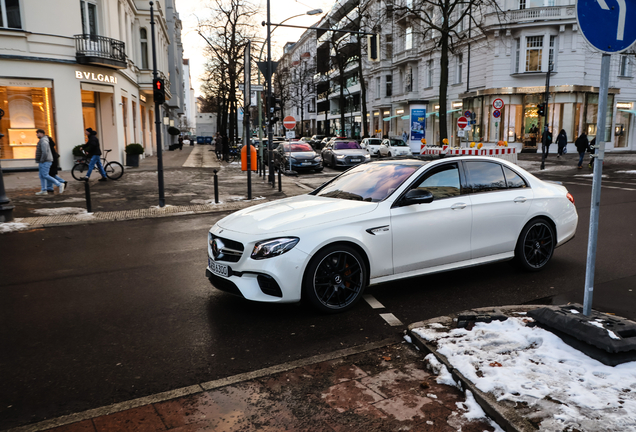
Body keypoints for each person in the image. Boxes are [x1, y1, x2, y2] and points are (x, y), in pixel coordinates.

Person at [34, 129, 64, 196]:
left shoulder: (44, 141)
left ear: (41, 133)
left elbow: (45, 152)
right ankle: (44, 190)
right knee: (42, 176)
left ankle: (59, 184)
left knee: (45, 175)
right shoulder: (43, 140)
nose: (37, 135)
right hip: (44, 161)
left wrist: (42, 160)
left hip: (45, 161)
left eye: (37, 133)